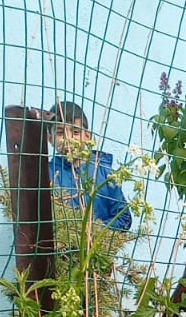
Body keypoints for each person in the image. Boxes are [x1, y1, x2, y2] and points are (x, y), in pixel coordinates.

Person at [46, 99, 132, 234]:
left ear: (87, 136)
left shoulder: (105, 173)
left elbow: (123, 218)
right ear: (50, 139)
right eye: (60, 132)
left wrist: (93, 231)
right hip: (58, 251)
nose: (68, 139)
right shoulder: (46, 174)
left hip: (97, 251)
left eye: (75, 132)